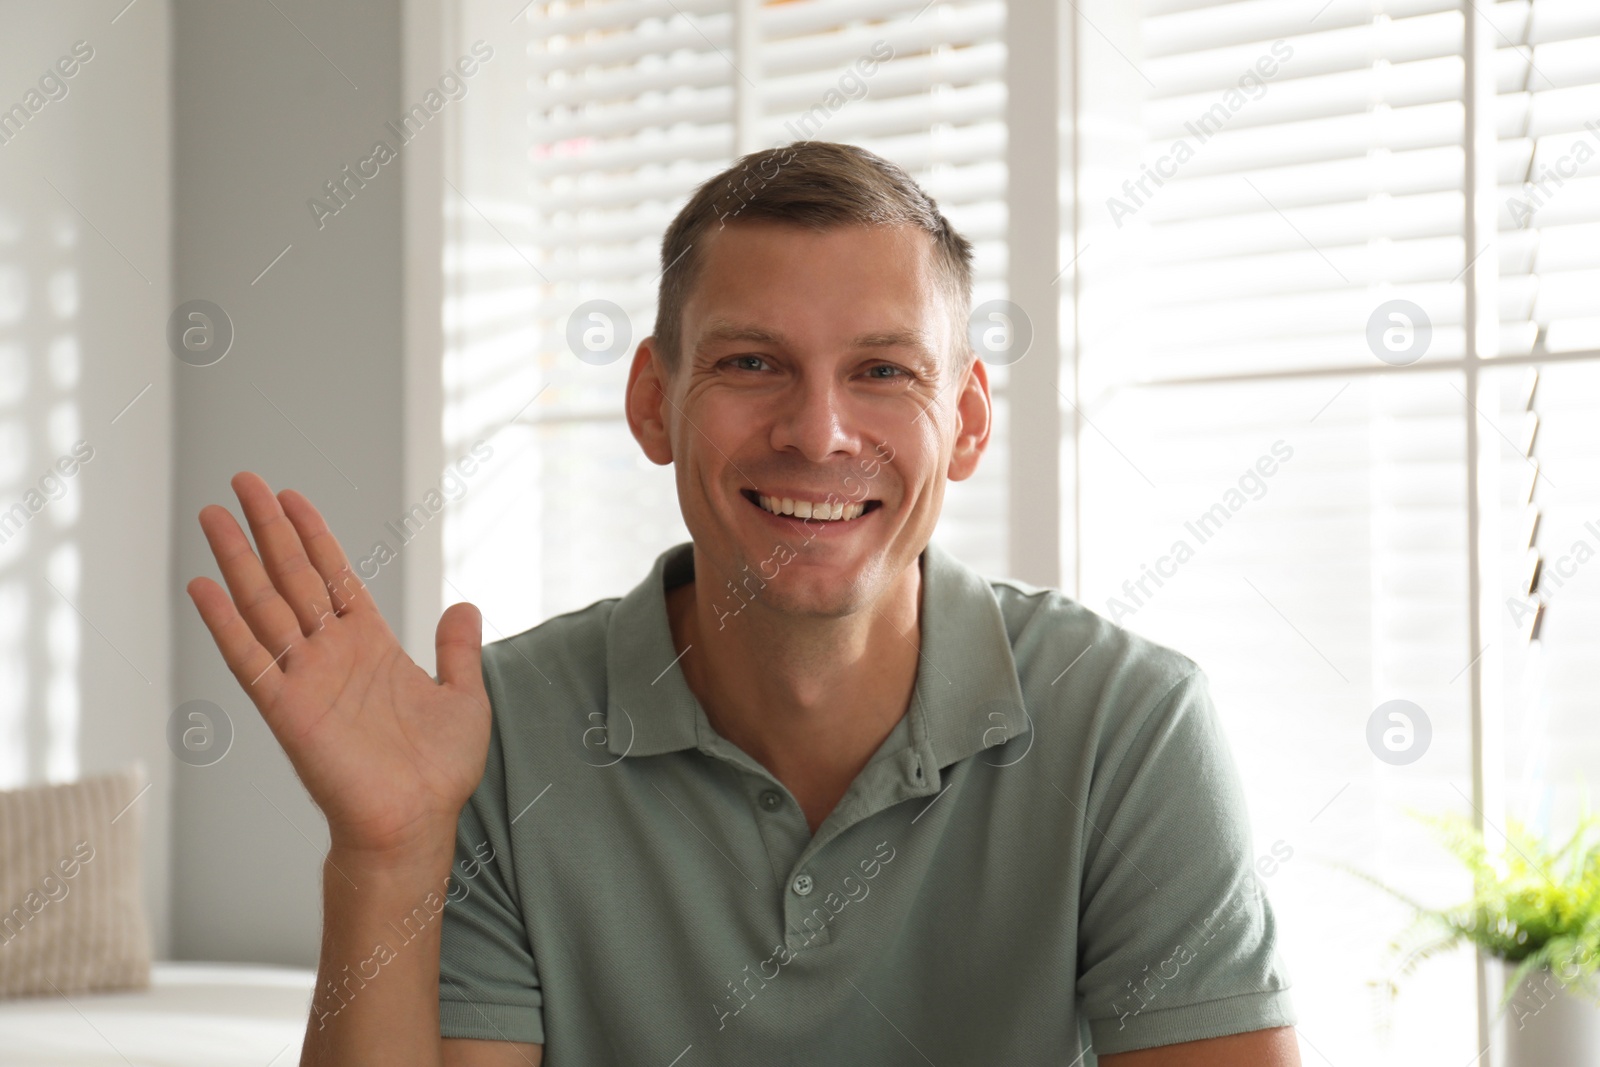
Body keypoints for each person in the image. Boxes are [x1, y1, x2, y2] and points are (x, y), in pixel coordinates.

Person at [188, 141, 1300, 1066]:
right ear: (652, 402)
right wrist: (386, 855)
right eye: (752, 363)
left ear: (963, 421)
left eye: (882, 371)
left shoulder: (1129, 723)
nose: (818, 432)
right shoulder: (489, 739)